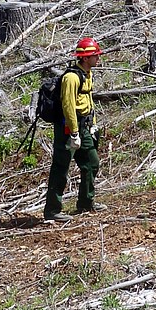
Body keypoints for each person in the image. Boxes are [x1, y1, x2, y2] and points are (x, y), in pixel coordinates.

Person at [44, 35, 102, 221]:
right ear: (85, 58)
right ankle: (52, 211)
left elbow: (88, 101)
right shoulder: (71, 78)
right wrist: (74, 133)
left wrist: (92, 125)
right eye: (94, 55)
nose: (97, 58)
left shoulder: (87, 74)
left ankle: (86, 203)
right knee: (61, 168)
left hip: (83, 128)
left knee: (92, 163)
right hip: (68, 130)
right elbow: (69, 106)